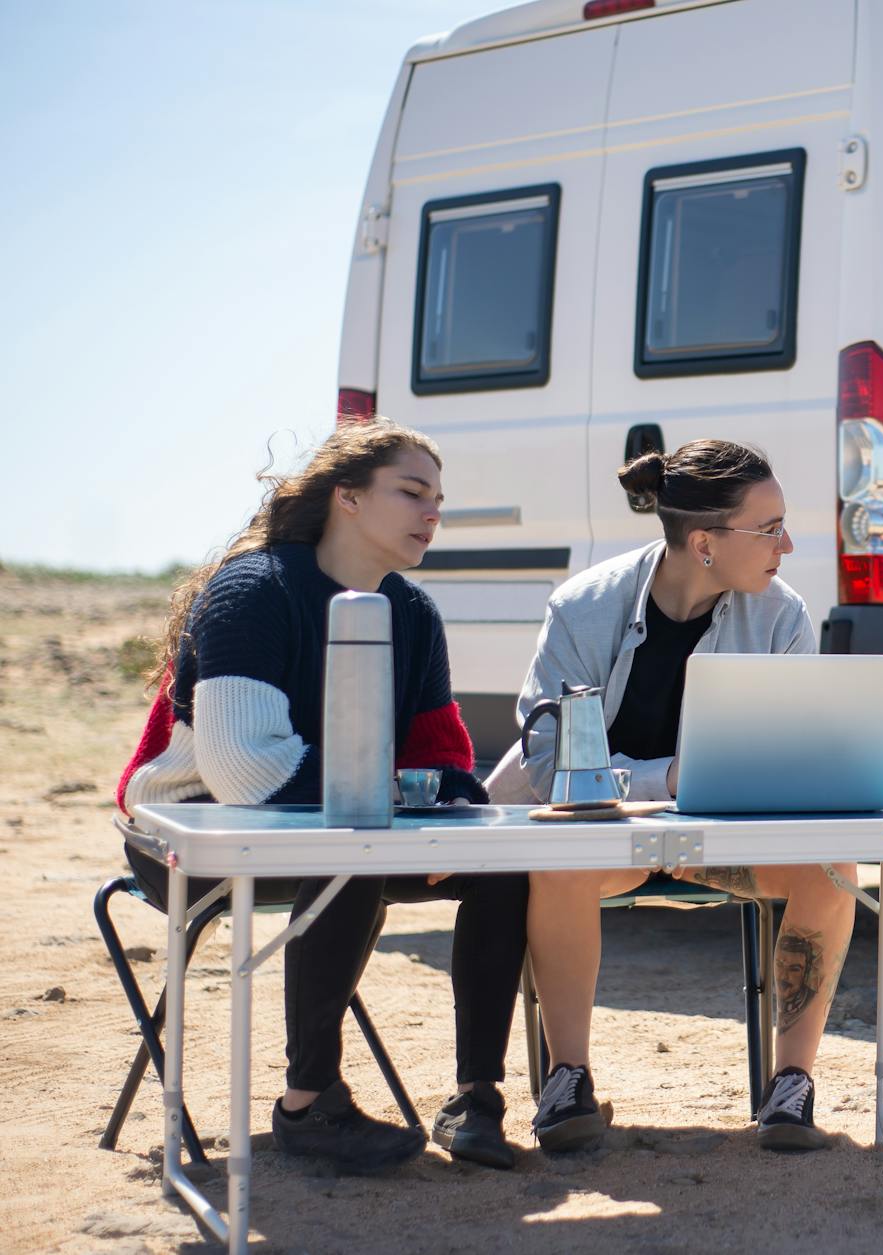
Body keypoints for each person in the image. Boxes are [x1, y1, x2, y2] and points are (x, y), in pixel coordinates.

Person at [117, 419, 530, 1174]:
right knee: (355, 847)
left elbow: (446, 765)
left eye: (439, 498)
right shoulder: (254, 591)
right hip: (188, 839)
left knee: (498, 861)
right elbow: (246, 774)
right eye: (411, 492)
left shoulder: (411, 612)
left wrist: (443, 816)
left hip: (341, 837)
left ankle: (478, 1099)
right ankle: (310, 1103)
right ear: (345, 496)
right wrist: (407, 797)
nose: (431, 512)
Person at [489, 439, 856, 1154]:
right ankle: (569, 1078)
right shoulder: (581, 608)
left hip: (718, 844)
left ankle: (791, 1086)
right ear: (704, 543)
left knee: (834, 865)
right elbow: (544, 761)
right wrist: (667, 780)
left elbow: (793, 749)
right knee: (560, 856)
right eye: (768, 527)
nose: (788, 542)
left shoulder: (783, 616)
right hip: (604, 841)